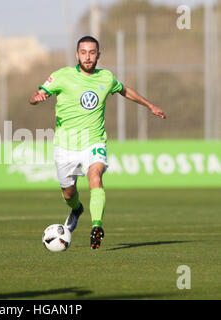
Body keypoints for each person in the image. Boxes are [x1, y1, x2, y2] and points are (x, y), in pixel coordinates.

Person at [29, 36, 166, 250]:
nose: (88, 57)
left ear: (98, 55)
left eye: (92, 52)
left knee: (95, 176)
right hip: (65, 145)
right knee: (68, 193)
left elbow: (125, 90)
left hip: (94, 141)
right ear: (77, 54)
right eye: (83, 52)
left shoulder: (106, 78)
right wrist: (37, 97)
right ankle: (76, 209)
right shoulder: (61, 76)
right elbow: (37, 94)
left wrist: (150, 106)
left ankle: (96, 227)